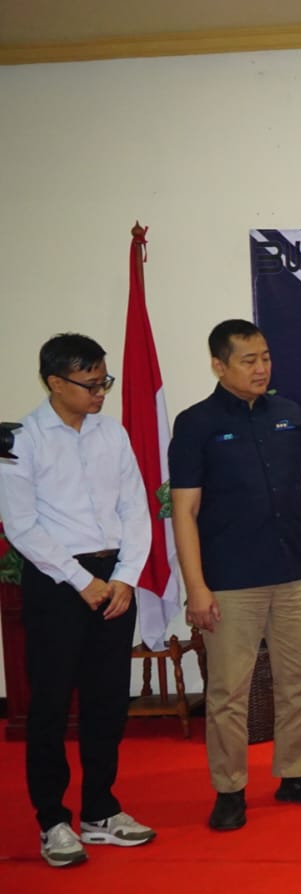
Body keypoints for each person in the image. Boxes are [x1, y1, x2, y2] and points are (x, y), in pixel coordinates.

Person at [169, 319, 301, 832]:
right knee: (229, 692)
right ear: (218, 366)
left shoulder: (288, 414)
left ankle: (298, 774)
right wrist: (196, 586)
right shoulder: (196, 423)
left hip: (292, 571)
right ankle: (229, 789)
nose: (261, 368)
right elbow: (184, 511)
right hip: (229, 580)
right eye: (248, 360)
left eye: (265, 357)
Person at [0, 334, 155, 867]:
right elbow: (22, 525)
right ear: (55, 382)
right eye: (91, 383)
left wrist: (126, 577)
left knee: (106, 701)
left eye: (104, 380)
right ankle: (53, 821)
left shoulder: (112, 433)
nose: (101, 391)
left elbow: (135, 508)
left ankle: (100, 810)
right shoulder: (22, 440)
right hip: (57, 583)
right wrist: (79, 579)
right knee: (49, 706)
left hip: (114, 581)